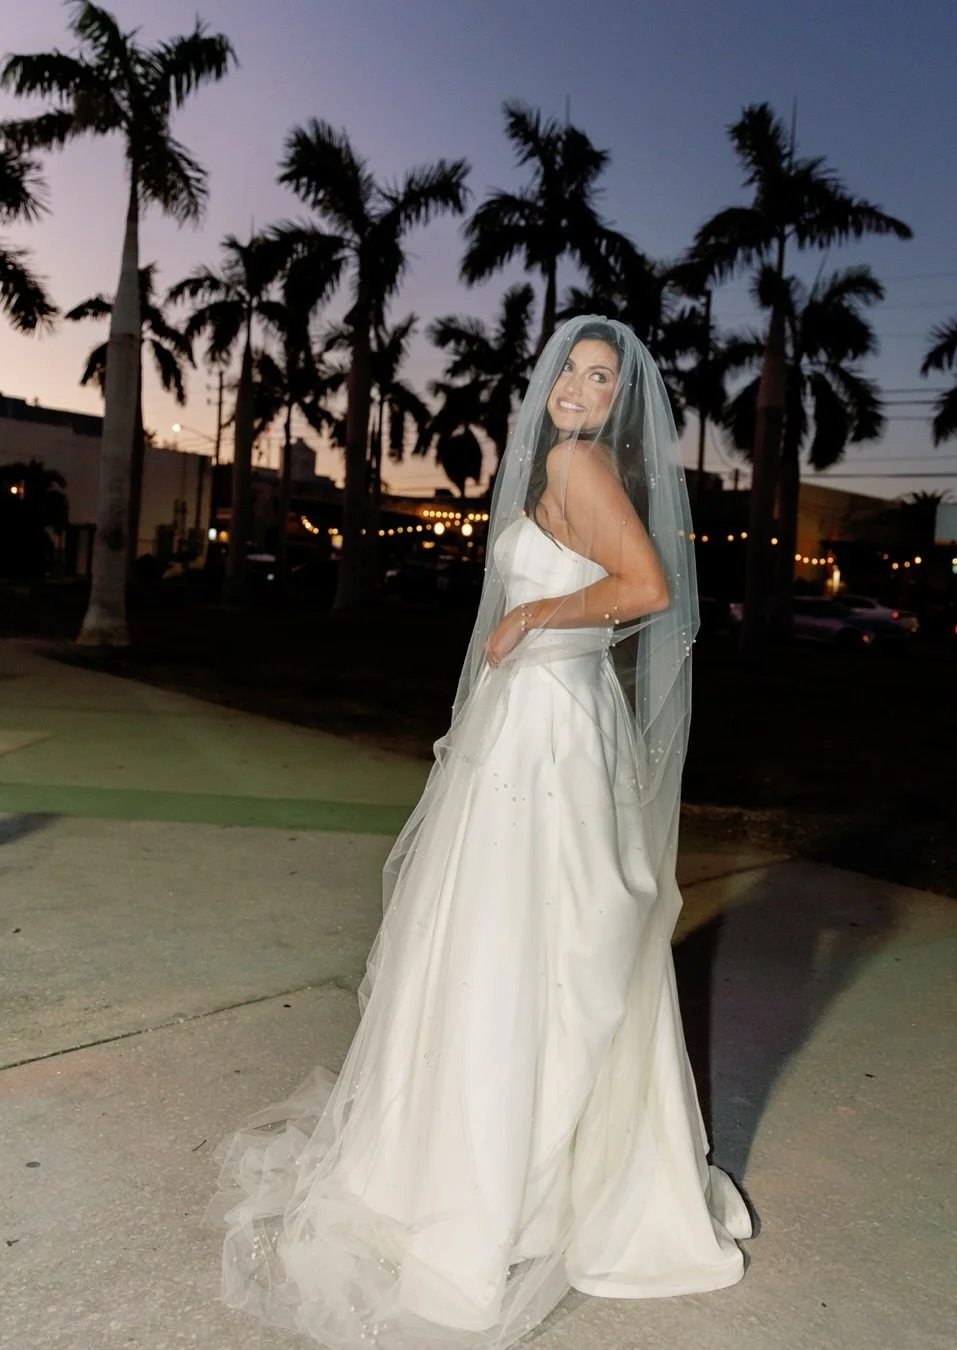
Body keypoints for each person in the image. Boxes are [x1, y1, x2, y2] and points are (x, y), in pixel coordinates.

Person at [210, 316, 752, 1349]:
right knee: (491, 948)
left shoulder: (582, 464)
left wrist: (531, 621)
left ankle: (513, 1187)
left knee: (534, 951)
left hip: (555, 735)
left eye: (603, 378)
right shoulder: (557, 462)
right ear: (547, 380)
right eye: (571, 372)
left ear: (617, 400)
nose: (581, 390)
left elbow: (649, 591)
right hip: (527, 729)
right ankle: (472, 1164)